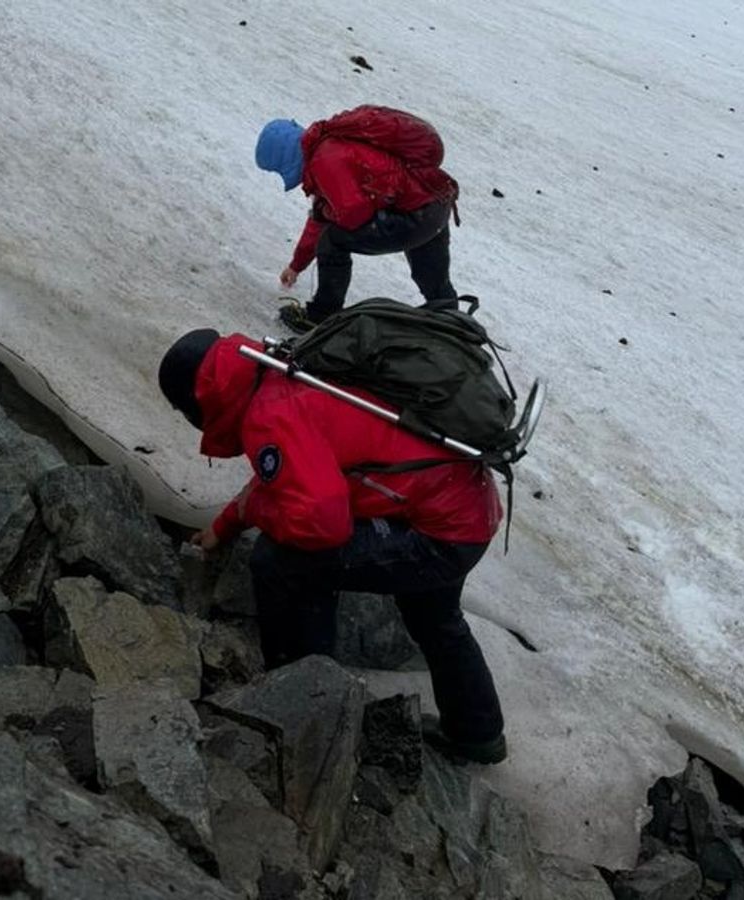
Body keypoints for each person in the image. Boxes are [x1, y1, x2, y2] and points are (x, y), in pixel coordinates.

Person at [158, 327, 507, 764]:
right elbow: (289, 479)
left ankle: (304, 703)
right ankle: (478, 733)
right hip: (463, 507)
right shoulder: (275, 374)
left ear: (198, 400)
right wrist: (225, 526)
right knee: (435, 616)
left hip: (438, 532)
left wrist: (260, 517)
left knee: (281, 562)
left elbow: (323, 524)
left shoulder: (269, 414)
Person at [254, 107, 460, 333]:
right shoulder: (328, 145)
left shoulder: (324, 159)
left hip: (414, 214)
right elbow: (321, 215)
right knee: (432, 276)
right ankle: (451, 324)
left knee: (333, 240)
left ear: (283, 158)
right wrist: (296, 265)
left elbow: (353, 214)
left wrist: (326, 214)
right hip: (434, 203)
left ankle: (320, 316)